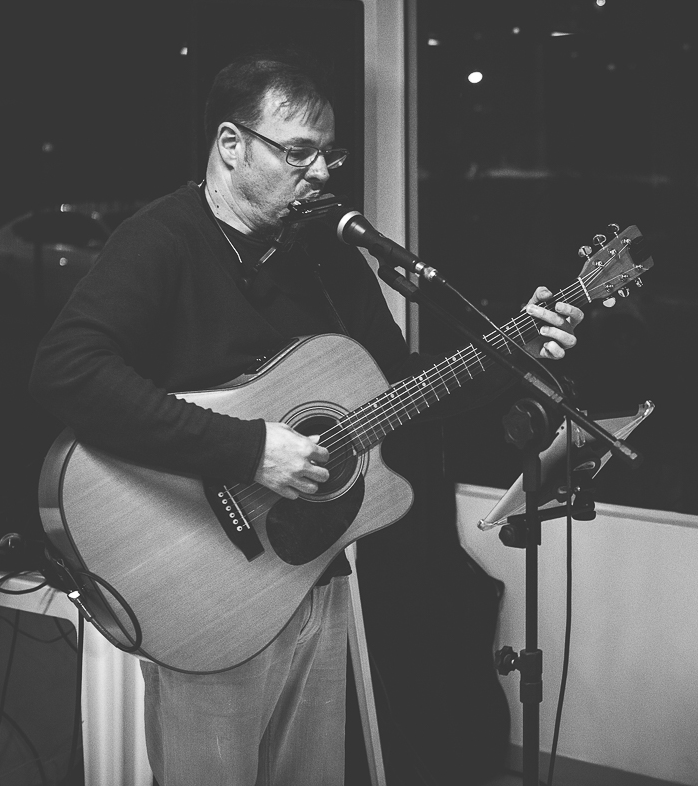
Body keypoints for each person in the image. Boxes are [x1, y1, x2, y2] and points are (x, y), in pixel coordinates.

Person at [29, 49, 583, 786]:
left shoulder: (324, 257)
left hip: (313, 574)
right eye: (298, 152)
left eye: (331, 154)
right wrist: (248, 449)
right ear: (231, 145)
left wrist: (513, 347)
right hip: (202, 580)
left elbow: (402, 393)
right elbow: (66, 371)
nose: (321, 173)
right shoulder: (163, 239)